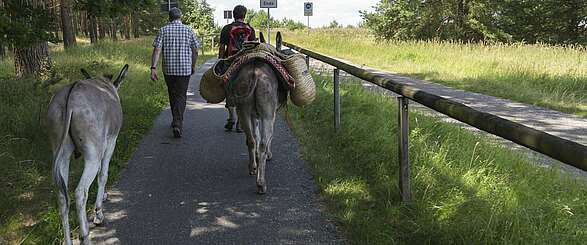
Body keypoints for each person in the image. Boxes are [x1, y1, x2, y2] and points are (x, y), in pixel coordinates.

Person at [150, 7, 200, 138]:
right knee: (181, 95)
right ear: (180, 17)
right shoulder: (189, 30)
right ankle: (178, 122)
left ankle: (175, 120)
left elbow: (157, 50)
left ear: (169, 18)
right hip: (184, 69)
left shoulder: (163, 30)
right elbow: (195, 50)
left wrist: (153, 68)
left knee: (172, 94)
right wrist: (193, 65)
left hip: (169, 69)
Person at [218, 5, 256, 132]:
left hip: (230, 62)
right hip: (246, 63)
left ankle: (232, 117)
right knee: (246, 91)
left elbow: (222, 48)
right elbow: (254, 47)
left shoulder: (227, 28)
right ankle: (241, 122)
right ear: (244, 15)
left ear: (234, 15)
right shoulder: (250, 29)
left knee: (228, 88)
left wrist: (220, 61)